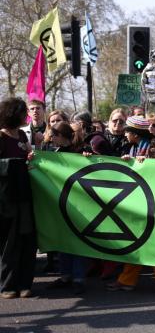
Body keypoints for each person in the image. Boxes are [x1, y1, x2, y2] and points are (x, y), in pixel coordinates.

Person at [107, 116, 155, 294]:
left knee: (151, 243)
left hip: (154, 201)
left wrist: (146, 164)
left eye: (127, 131)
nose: (125, 134)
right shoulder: (133, 147)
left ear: (135, 134)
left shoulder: (154, 146)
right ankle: (127, 280)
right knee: (136, 241)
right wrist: (130, 161)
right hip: (137, 200)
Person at [44, 122, 89, 295]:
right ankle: (65, 276)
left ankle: (78, 278)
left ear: (61, 136)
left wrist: (89, 157)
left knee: (78, 240)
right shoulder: (56, 153)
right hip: (63, 202)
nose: (51, 139)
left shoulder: (81, 151)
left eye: (53, 136)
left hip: (80, 204)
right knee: (64, 239)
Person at [0, 98, 36, 299]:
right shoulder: (1, 137)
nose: (27, 116)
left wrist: (30, 158)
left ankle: (25, 283)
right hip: (6, 199)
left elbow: (30, 155)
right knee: (9, 242)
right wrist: (14, 164)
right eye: (24, 112)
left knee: (27, 238)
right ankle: (7, 285)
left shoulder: (22, 135)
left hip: (24, 195)